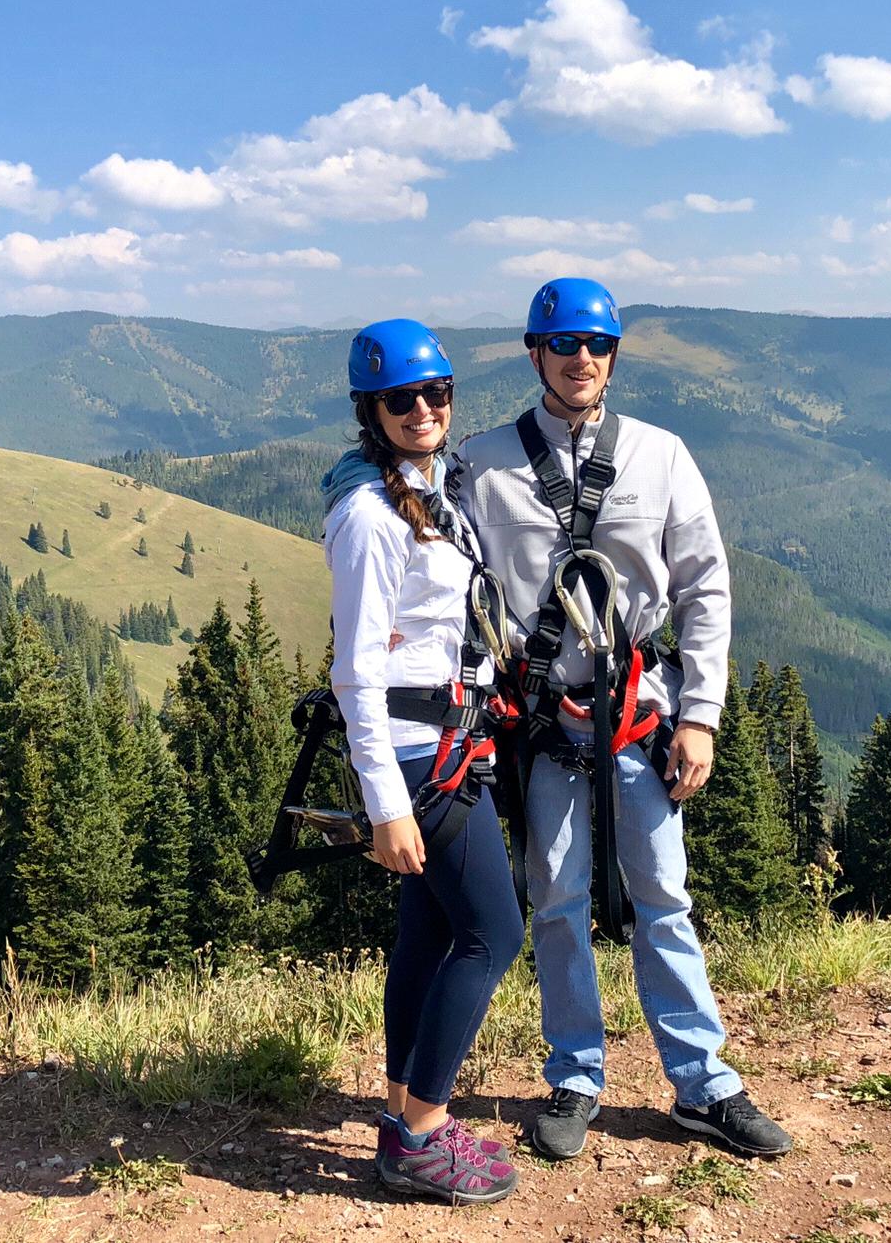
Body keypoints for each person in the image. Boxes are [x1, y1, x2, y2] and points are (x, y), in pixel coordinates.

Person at [451, 278, 794, 1161]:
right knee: (558, 899)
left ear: (612, 356)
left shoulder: (661, 456)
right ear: (535, 354)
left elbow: (705, 587)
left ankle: (704, 1085)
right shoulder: (483, 465)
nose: (580, 358)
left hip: (639, 713)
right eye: (563, 344)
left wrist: (703, 717)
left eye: (596, 344)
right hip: (540, 725)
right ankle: (575, 1077)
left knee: (664, 900)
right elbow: (446, 580)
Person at [322, 318, 524, 1204]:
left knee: (430, 932)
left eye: (435, 394)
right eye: (401, 399)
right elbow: (356, 671)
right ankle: (423, 1134)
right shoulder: (370, 515)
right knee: (493, 934)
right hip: (414, 759)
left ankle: (402, 1106)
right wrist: (386, 805)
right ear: (372, 410)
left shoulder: (429, 491)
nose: (421, 409)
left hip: (441, 740)